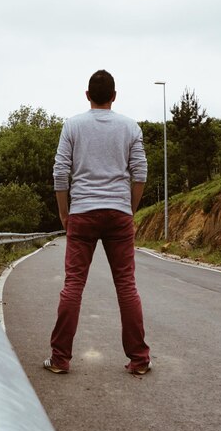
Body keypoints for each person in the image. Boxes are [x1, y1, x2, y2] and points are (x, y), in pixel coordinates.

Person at [44, 70, 151, 376]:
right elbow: (140, 173)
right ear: (114, 96)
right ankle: (139, 360)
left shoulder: (73, 126)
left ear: (87, 95)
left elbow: (60, 172)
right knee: (127, 286)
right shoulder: (130, 127)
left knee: (73, 285)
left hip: (83, 213)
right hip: (118, 213)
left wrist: (64, 213)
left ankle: (60, 358)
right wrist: (128, 209)